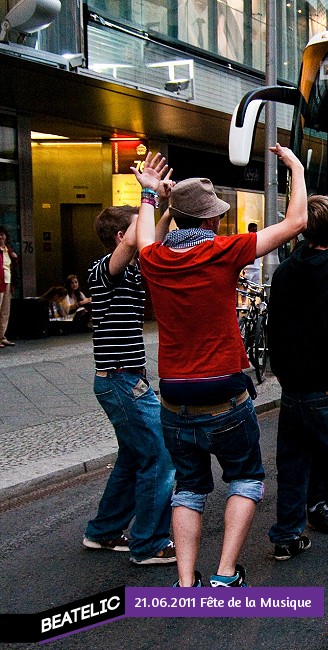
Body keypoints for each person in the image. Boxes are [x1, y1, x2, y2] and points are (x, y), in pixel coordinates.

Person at [135, 146, 308, 588]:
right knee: (245, 479)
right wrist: (297, 169)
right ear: (210, 221)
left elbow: (144, 238)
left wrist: (153, 196)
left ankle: (185, 582)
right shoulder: (223, 252)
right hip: (224, 398)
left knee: (188, 489)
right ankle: (225, 574)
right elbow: (296, 223)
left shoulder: (153, 260)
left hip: (174, 399)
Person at [266, 194, 328, 565]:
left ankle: (287, 536)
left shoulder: (285, 272)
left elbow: (274, 331)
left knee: (292, 468)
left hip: (292, 388)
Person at [82, 201, 177, 565]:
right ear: (123, 237)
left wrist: (164, 210)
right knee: (162, 455)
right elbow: (130, 249)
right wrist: (149, 194)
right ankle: (150, 542)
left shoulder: (134, 269)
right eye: (141, 226)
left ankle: (103, 531)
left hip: (127, 380)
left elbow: (156, 237)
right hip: (120, 382)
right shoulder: (104, 271)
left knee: (133, 457)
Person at [0, 226, 18, 348]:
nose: (1, 237)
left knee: (5, 311)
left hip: (7, 281)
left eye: (2, 235)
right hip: (0, 282)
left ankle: (2, 336)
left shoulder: (8, 250)